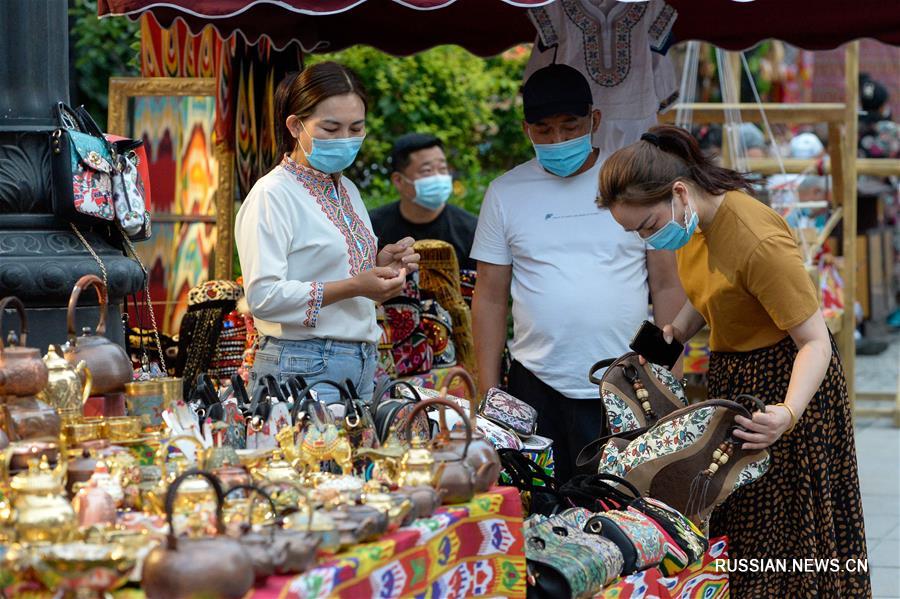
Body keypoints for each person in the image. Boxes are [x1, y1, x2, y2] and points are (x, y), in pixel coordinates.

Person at [598, 125, 870, 597]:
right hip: (738, 383)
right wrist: (674, 334)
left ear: (679, 192)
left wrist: (785, 414)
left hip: (788, 388)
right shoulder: (696, 224)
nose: (647, 240)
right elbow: (715, 291)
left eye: (647, 226)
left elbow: (815, 342)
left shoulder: (755, 238)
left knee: (786, 532)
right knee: (738, 525)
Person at [470, 64, 685, 484]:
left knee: (627, 504)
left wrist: (670, 379)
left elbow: (666, 283)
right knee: (542, 506)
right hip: (536, 382)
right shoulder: (505, 192)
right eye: (545, 131)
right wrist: (490, 390)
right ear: (526, 129)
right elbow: (491, 296)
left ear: (595, 120)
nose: (559, 140)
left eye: (571, 127)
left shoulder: (630, 183)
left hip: (629, 379)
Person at [235, 62, 420, 405]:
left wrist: (382, 264)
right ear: (295, 125)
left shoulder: (346, 188)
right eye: (331, 128)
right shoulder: (272, 194)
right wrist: (355, 286)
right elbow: (263, 297)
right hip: (301, 364)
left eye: (356, 128)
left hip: (360, 360)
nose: (345, 140)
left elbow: (340, 271)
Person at [369, 133, 478, 271]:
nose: (438, 177)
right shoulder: (372, 228)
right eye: (427, 170)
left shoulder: (471, 231)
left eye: (443, 169)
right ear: (398, 180)